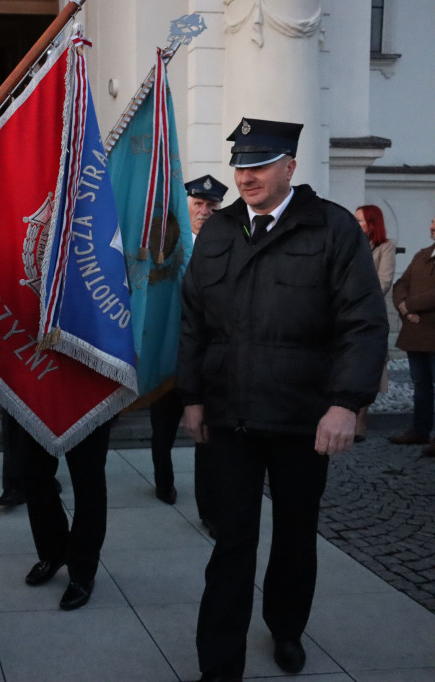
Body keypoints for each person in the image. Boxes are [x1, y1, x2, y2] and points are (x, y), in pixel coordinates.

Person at [178, 118, 388, 681]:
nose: (246, 175)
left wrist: (346, 403)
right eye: (240, 165)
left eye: (260, 164)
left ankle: (287, 627)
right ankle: (218, 663)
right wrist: (192, 396)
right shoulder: (218, 231)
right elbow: (194, 320)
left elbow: (363, 324)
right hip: (230, 414)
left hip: (304, 416)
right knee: (232, 542)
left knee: (296, 535)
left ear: (290, 167)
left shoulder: (332, 228)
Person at [147, 174, 229, 509]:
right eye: (199, 204)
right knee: (162, 428)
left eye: (212, 206)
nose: (205, 211)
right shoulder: (167, 246)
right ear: (186, 205)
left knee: (207, 434)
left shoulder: (226, 246)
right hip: (170, 353)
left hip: (208, 357)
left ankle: (209, 506)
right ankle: (164, 482)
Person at [12, 413, 112, 612]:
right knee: (33, 470)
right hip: (41, 392)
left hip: (92, 394)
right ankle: (53, 551)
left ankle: (83, 569)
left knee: (88, 479)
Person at [388, 215, 435, 455]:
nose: (431, 226)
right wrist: (403, 306)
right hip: (416, 333)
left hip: (431, 332)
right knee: (421, 385)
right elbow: (400, 284)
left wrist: (410, 306)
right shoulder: (422, 255)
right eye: (432, 222)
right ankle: (420, 430)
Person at [354, 204, 396, 441]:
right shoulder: (350, 245)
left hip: (369, 316)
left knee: (368, 369)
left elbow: (384, 282)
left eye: (360, 220)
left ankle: (361, 422)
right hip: (346, 316)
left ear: (372, 223)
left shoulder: (384, 248)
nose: (356, 224)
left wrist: (355, 297)